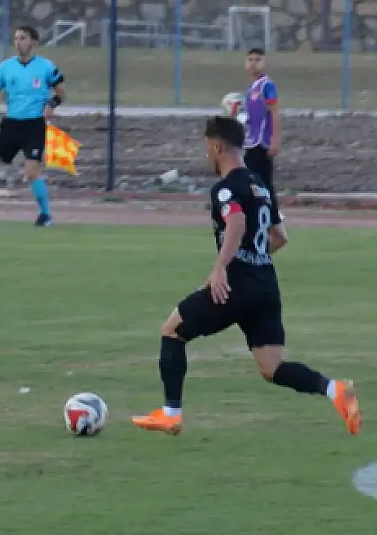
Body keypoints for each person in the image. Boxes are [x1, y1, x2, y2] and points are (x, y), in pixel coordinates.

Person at [131, 116, 361, 438]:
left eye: (207, 147)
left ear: (217, 146)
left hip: (235, 286)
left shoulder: (226, 188)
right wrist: (253, 260)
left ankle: (170, 415)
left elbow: (236, 223)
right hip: (265, 285)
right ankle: (335, 390)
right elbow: (280, 236)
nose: (206, 155)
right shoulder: (261, 186)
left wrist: (221, 268)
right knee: (272, 367)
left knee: (172, 331)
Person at [0, 25, 63, 227]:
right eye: (16, 38)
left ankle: (45, 215)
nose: (18, 42)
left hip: (33, 126)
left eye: (23, 38)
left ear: (34, 42)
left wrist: (51, 104)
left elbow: (61, 93)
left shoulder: (46, 67)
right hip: (11, 125)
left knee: (31, 173)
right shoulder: (5, 67)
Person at [241, 47, 283, 232]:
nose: (253, 63)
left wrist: (275, 140)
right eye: (250, 59)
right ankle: (258, 215)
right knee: (251, 181)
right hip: (251, 142)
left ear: (264, 63)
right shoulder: (251, 89)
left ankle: (273, 217)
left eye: (257, 60)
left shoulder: (267, 85)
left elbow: (274, 112)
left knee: (262, 182)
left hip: (262, 143)